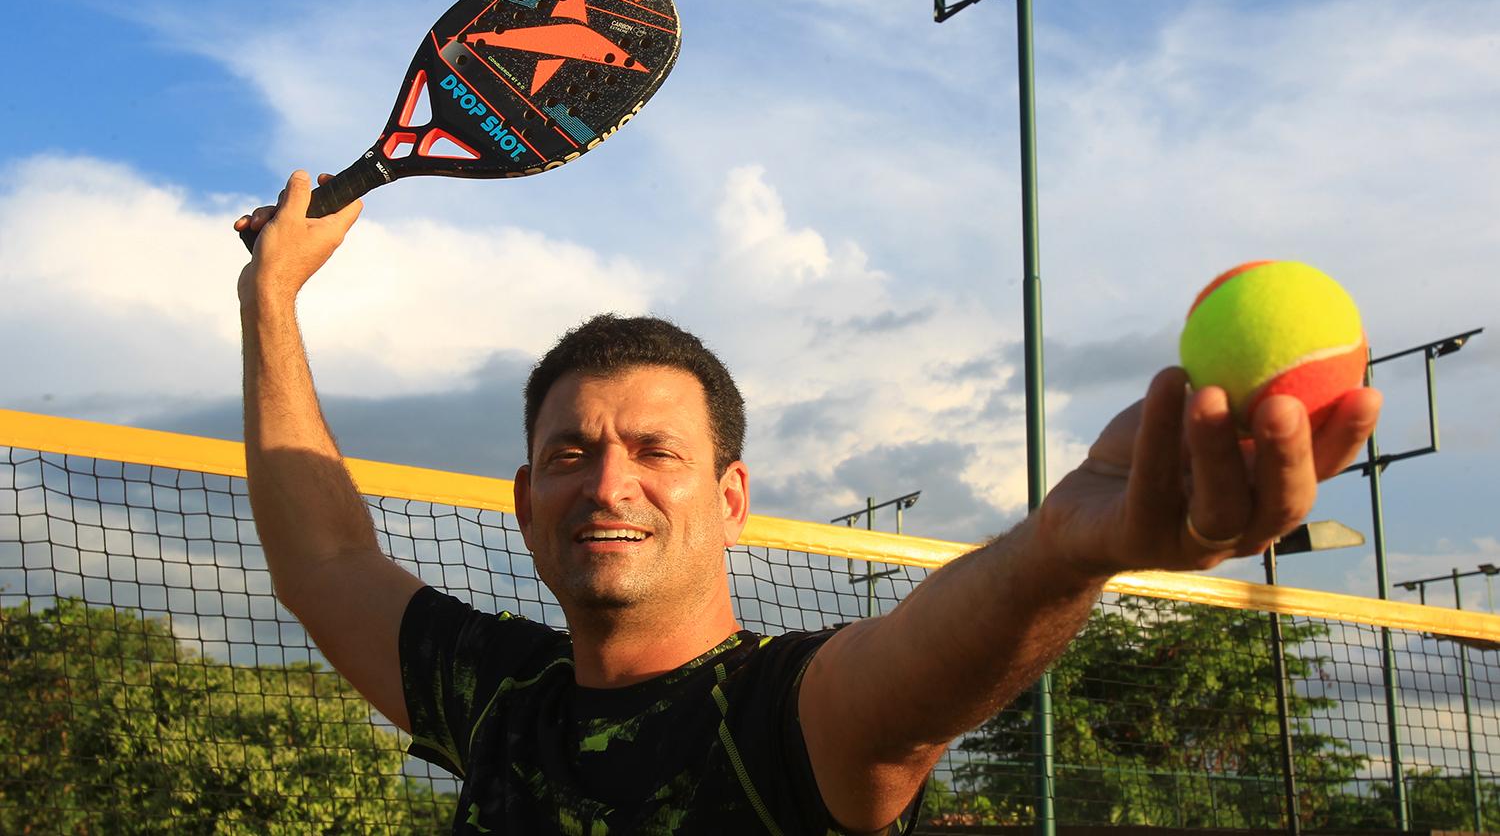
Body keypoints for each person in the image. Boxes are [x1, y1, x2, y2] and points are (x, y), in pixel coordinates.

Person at [234, 171, 1382, 835]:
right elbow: (325, 559)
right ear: (527, 500)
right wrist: (272, 295)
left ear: (732, 496)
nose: (609, 479)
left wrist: (1056, 551)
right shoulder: (500, 701)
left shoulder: (781, 714)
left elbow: (912, 680)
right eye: (572, 452)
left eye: (654, 450)